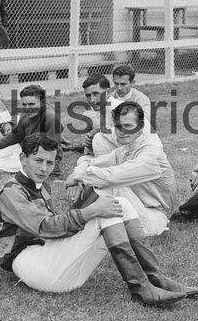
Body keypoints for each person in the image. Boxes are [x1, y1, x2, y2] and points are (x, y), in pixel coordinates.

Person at [0, 133, 198, 308]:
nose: (44, 168)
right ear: (22, 159)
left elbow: (56, 229)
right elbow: (46, 227)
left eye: (49, 162)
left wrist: (88, 205)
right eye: (38, 160)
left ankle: (155, 279)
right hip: (30, 265)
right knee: (102, 212)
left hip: (53, 265)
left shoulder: (42, 184)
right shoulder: (11, 191)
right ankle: (141, 289)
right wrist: (90, 211)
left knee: (120, 205)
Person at [65, 101, 183, 242]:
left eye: (128, 126)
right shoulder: (127, 149)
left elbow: (113, 177)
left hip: (154, 218)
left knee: (108, 182)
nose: (122, 131)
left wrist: (82, 177)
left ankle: (70, 224)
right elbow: (91, 161)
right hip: (138, 207)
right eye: (118, 126)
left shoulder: (152, 153)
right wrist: (77, 174)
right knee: (97, 173)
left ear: (140, 128)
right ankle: (69, 221)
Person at [0, 84, 62, 176]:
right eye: (24, 104)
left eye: (31, 104)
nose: (27, 108)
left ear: (42, 103)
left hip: (39, 156)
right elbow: (16, 135)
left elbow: (52, 149)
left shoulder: (51, 118)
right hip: (26, 149)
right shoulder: (26, 114)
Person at [92, 64, 153, 155]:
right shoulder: (109, 97)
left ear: (132, 83)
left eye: (123, 84)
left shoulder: (142, 99)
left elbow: (142, 125)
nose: (119, 88)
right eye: (116, 83)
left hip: (133, 140)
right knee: (97, 138)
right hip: (115, 137)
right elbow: (101, 123)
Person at [62, 73, 109, 155]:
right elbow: (87, 149)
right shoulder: (91, 113)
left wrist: (98, 132)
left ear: (107, 92)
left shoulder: (119, 110)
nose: (92, 100)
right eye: (88, 96)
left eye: (96, 94)